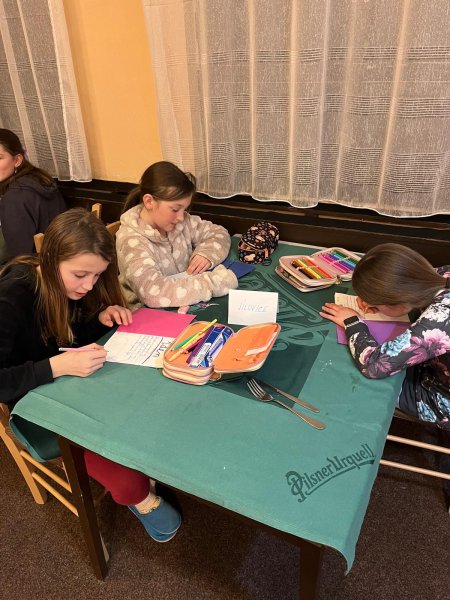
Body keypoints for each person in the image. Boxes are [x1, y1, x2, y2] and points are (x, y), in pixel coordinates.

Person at [0, 208, 181, 542]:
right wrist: (56, 366)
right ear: (50, 259)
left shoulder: (65, 286)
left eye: (97, 276)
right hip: (34, 407)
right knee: (130, 480)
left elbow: (63, 337)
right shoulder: (11, 297)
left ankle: (142, 470)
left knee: (151, 411)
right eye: (81, 274)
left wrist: (99, 320)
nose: (89, 285)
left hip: (68, 380)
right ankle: (140, 495)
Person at [320, 243, 450, 429]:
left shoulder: (437, 320)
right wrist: (380, 302)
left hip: (440, 395)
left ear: (399, 301)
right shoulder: (440, 275)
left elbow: (374, 366)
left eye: (377, 305)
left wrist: (352, 322)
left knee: (360, 381)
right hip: (438, 368)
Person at [116, 160, 238, 308]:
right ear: (149, 202)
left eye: (184, 209)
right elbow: (153, 293)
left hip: (184, 305)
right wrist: (212, 283)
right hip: (148, 315)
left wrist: (206, 254)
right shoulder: (132, 241)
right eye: (175, 209)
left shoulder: (180, 222)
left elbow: (219, 233)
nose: (181, 217)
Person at [0, 128, 67, 261]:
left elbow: (20, 257)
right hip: (59, 259)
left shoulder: (14, 197)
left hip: (37, 267)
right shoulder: (38, 178)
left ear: (17, 160)